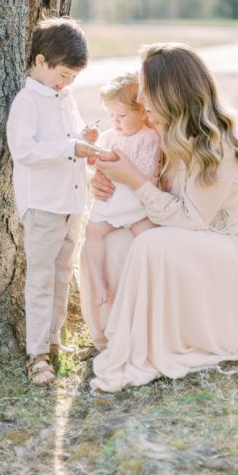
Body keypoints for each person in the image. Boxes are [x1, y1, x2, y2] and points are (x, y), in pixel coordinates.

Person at [81, 42, 238, 392]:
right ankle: (119, 336)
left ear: (170, 94)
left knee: (152, 244)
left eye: (147, 92)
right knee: (109, 240)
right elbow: (138, 184)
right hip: (188, 238)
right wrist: (106, 184)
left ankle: (154, 340)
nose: (140, 100)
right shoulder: (156, 133)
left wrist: (135, 181)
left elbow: (191, 220)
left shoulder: (215, 143)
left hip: (235, 253)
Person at [6, 17, 97, 386]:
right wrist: (69, 146)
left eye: (73, 78)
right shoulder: (28, 101)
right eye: (63, 74)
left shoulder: (65, 97)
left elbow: (69, 141)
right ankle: (36, 354)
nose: (67, 83)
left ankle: (55, 341)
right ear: (41, 62)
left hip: (71, 202)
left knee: (62, 275)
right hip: (43, 205)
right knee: (41, 279)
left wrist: (83, 137)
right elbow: (24, 150)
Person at [82, 72, 161, 307]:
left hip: (136, 206)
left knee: (149, 238)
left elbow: (146, 171)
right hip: (110, 205)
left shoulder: (148, 137)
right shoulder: (109, 136)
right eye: (111, 115)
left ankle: (150, 283)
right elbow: (92, 166)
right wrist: (90, 149)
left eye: (122, 115)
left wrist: (117, 159)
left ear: (141, 112)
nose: (115, 121)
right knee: (93, 233)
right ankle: (99, 283)